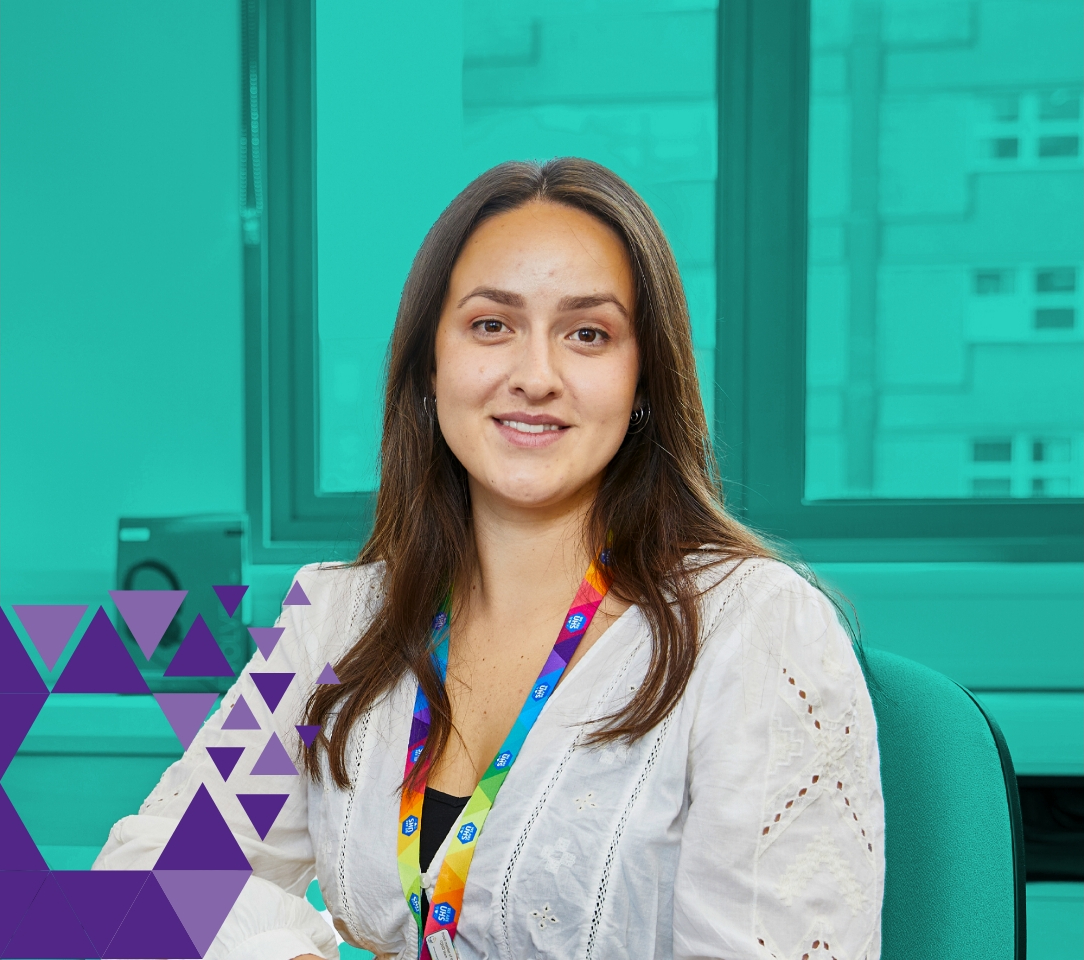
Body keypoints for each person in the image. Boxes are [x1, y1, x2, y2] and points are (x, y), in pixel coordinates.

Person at [95, 158, 885, 960]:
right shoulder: (336, 624)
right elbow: (142, 879)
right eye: (490, 325)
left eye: (588, 334)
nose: (535, 376)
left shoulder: (755, 633)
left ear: (642, 378)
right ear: (430, 368)